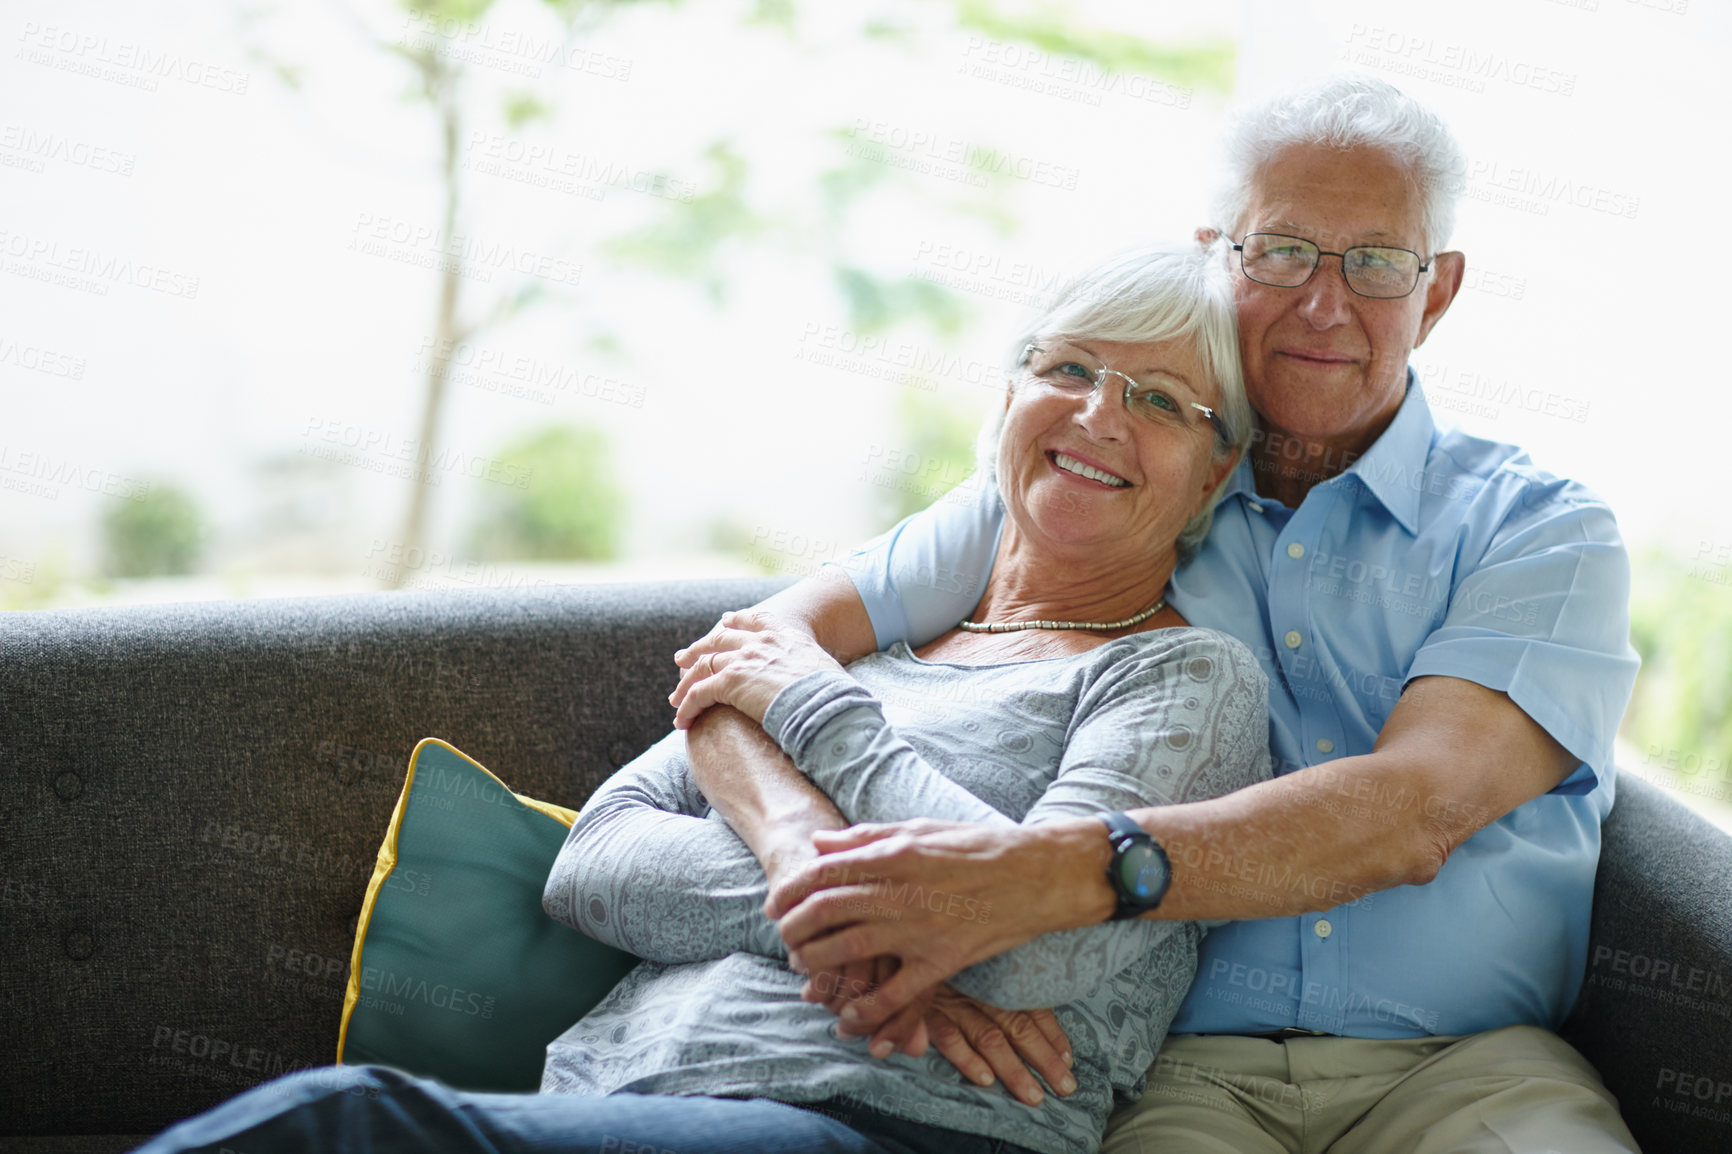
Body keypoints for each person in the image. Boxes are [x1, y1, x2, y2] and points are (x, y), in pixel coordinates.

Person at [670, 75, 1644, 1152]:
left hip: (1470, 1067)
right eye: (1281, 250)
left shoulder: (1541, 528)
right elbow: (746, 660)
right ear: (1215, 258)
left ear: (1439, 289)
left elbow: (1413, 810)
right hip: (1184, 1071)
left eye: (1374, 261)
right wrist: (806, 858)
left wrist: (1035, 878)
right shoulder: (1107, 475)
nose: (1326, 303)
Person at [129, 246, 1272, 1154]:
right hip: (613, 1091)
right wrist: (823, 893)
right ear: (1012, 390)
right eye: (1068, 368)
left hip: (900, 1123)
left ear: (1213, 474)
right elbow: (594, 863)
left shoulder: (1178, 678)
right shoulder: (860, 645)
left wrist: (816, 713)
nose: (1098, 415)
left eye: (1162, 401)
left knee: (341, 1125)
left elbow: (1033, 947)